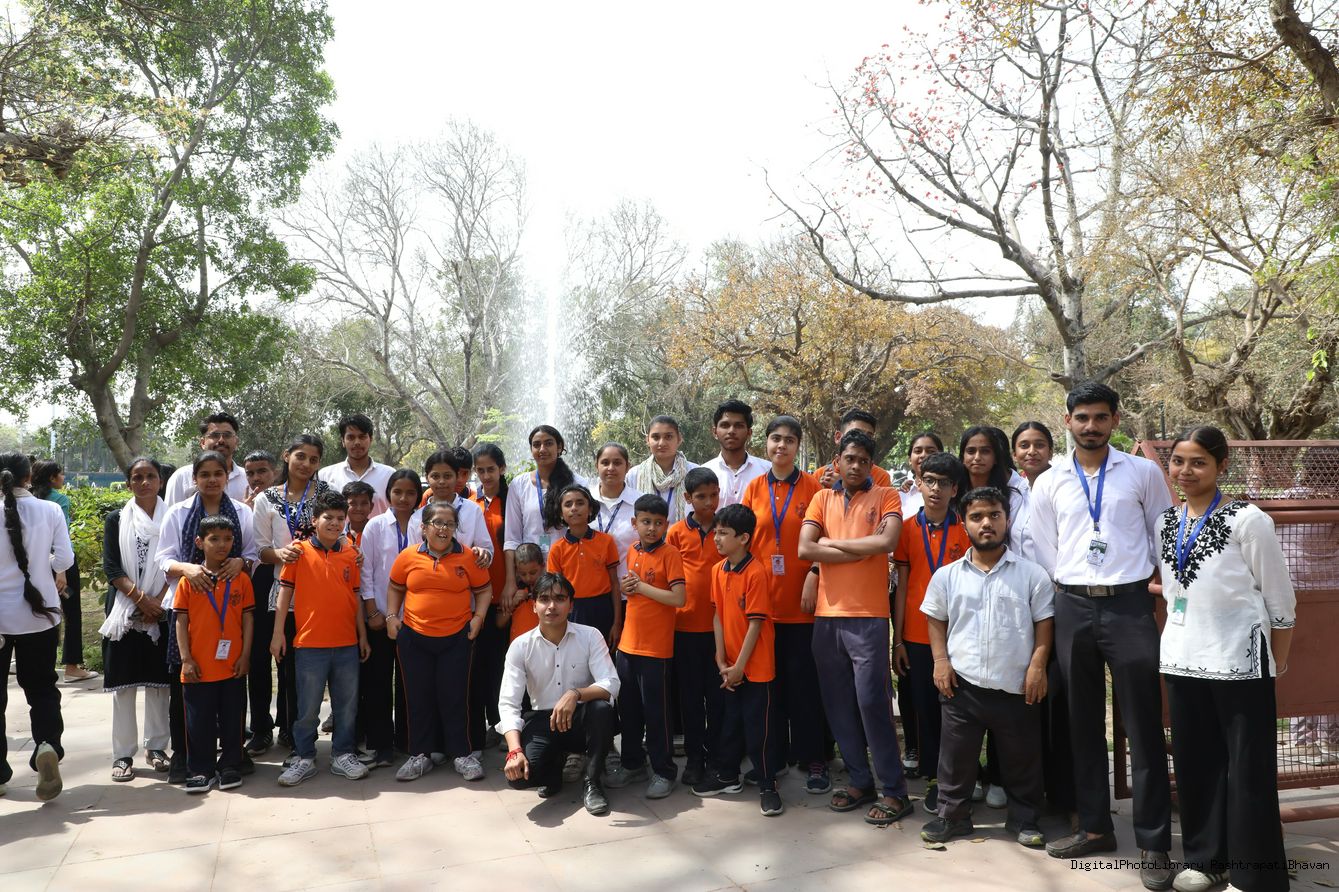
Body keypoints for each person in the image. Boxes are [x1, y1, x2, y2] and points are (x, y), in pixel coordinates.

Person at [1029, 382, 1175, 889]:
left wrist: (1160, 591)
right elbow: (1042, 544)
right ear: (1067, 420)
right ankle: (1094, 827)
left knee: (1143, 725)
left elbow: (1163, 534)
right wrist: (1071, 583)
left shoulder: (1142, 472)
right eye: (1082, 417)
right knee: (1081, 723)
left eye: (1100, 417)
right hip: (1072, 606)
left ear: (1115, 419)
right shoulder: (1049, 481)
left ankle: (1154, 843)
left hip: (1130, 606)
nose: (1090, 426)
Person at [1157, 427, 1294, 892]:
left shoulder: (1249, 520)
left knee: (1248, 772)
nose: (1186, 471)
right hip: (1182, 661)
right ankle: (1206, 861)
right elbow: (1175, 591)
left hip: (1241, 663)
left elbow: (1280, 598)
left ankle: (1257, 878)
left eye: (1198, 462)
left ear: (1221, 466)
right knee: (1195, 766)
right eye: (1178, 461)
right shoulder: (1166, 522)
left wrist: (1277, 662)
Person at [919, 486, 1053, 847]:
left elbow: (1044, 622)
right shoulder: (948, 576)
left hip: (1016, 686)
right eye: (976, 517)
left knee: (1022, 758)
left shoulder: (1031, 574)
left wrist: (1037, 666)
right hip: (963, 686)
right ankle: (953, 817)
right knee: (955, 759)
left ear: (1007, 520)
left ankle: (1024, 819)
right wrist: (940, 662)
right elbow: (936, 619)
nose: (986, 523)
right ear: (964, 524)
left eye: (994, 515)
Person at [798, 428, 910, 825]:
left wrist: (831, 545)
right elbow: (804, 548)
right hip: (827, 617)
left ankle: (895, 791)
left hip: (869, 617)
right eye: (850, 458)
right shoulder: (821, 498)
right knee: (838, 704)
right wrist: (861, 547)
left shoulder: (886, 495)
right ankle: (860, 781)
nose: (856, 465)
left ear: (870, 464)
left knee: (871, 704)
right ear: (838, 461)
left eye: (863, 460)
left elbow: (887, 543)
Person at [740, 415, 830, 794]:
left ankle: (814, 760)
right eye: (775, 438)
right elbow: (744, 542)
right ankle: (772, 759)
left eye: (789, 440)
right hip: (764, 609)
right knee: (769, 690)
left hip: (803, 605)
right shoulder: (753, 488)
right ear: (766, 443)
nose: (781, 445)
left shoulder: (814, 488)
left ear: (797, 446)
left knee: (805, 688)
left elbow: (827, 537)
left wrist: (814, 573)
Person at [157, 451, 258, 784]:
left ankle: (233, 756)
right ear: (194, 479)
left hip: (231, 609)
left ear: (228, 477)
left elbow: (252, 552)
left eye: (218, 473)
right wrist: (188, 568)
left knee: (231, 691)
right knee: (186, 688)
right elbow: (163, 558)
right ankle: (186, 757)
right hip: (189, 608)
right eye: (205, 474)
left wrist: (241, 562)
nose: (212, 480)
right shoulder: (178, 513)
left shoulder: (241, 512)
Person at [386, 500, 492, 783]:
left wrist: (478, 618)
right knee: (418, 698)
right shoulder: (408, 556)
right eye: (438, 523)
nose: (444, 529)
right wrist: (391, 617)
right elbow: (395, 587)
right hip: (414, 638)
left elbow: (484, 590)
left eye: (450, 524)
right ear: (424, 528)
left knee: (455, 697)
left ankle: (462, 754)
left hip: (456, 638)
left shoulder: (468, 557)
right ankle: (420, 755)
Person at [499, 571, 620, 816]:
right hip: (543, 721)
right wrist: (514, 751)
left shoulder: (590, 636)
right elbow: (508, 703)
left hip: (582, 718)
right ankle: (554, 772)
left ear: (571, 605)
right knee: (518, 778)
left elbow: (611, 683)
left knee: (601, 709)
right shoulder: (520, 646)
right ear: (534, 606)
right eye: (544, 599)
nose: (552, 606)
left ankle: (592, 782)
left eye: (560, 598)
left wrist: (576, 693)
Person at [270, 490, 370, 787]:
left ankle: (343, 754)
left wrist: (362, 636)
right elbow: (284, 594)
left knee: (346, 706)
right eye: (328, 517)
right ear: (314, 520)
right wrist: (278, 633)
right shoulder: (299, 552)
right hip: (309, 644)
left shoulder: (351, 554)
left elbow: (355, 597)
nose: (335, 523)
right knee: (308, 709)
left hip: (346, 644)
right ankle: (304, 756)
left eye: (340, 518)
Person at [691, 503, 784, 816]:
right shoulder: (718, 570)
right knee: (730, 723)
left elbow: (756, 624)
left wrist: (740, 667)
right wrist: (721, 659)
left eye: (723, 533)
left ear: (743, 538)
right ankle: (727, 775)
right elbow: (718, 615)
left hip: (755, 668)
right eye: (715, 532)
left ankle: (768, 785)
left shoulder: (756, 572)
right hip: (730, 666)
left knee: (759, 729)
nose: (716, 538)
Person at [892, 452, 969, 815]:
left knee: (958, 710)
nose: (936, 489)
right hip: (916, 634)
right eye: (930, 481)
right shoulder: (907, 529)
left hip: (958, 635)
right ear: (919, 483)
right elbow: (902, 586)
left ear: (955, 489)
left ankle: (962, 774)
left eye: (944, 483)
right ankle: (935, 777)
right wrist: (898, 639)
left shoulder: (966, 530)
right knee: (924, 708)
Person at [252, 434, 332, 758]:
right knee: (280, 660)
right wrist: (280, 554)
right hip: (280, 590)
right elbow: (260, 550)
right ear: (286, 456)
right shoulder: (267, 498)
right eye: (301, 456)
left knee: (304, 666)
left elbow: (335, 534)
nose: (306, 464)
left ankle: (295, 729)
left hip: (317, 591)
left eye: (314, 459)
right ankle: (272, 728)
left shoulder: (326, 494)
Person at [0, 452, 73, 800]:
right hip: (40, 614)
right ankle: (46, 745)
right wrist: (45, 565)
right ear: (29, 476)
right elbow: (66, 559)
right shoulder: (50, 509)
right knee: (43, 688)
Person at [1009, 420, 1072, 823]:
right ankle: (1032, 790)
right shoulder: (1014, 493)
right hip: (1019, 606)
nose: (1031, 451)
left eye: (1039, 444)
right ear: (1014, 452)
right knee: (1025, 701)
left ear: (1050, 449)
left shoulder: (1064, 485)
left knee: (1058, 699)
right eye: (1023, 445)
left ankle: (1066, 796)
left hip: (1060, 602)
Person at [605, 494, 686, 799]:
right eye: (646, 522)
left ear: (667, 524)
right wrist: (629, 588)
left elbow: (679, 598)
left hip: (656, 649)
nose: (652, 528)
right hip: (628, 645)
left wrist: (641, 587)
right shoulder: (632, 550)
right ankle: (633, 763)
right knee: (629, 711)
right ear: (634, 523)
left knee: (657, 714)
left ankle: (664, 770)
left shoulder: (670, 554)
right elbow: (633, 591)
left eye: (658, 523)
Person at [99, 457, 172, 783]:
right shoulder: (117, 519)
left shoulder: (172, 517)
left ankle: (156, 748)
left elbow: (176, 561)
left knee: (159, 685)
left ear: (160, 481)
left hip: (163, 608)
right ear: (128, 483)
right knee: (124, 686)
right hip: (125, 609)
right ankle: (123, 754)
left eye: (150, 476)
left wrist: (158, 603)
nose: (144, 482)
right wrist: (142, 600)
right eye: (137, 477)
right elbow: (112, 567)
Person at [176, 514, 255, 793]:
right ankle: (201, 769)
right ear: (200, 542)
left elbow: (247, 619)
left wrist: (245, 656)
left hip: (232, 665)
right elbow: (181, 621)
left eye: (228, 539)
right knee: (199, 721)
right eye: (214, 539)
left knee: (233, 719)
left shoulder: (241, 580)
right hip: (198, 666)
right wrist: (186, 659)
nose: (222, 545)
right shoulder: (189, 581)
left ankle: (230, 764)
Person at [359, 469, 424, 768]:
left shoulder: (424, 524)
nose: (403, 498)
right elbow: (366, 571)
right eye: (397, 492)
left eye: (410, 492)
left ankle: (410, 741)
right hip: (380, 617)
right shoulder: (375, 525)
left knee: (411, 682)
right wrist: (373, 612)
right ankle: (381, 745)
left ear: (418, 495)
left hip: (415, 618)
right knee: (378, 682)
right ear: (388, 494)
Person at [667, 467, 724, 787]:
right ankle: (693, 758)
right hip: (685, 628)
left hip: (719, 629)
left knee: (717, 698)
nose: (709, 502)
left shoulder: (725, 529)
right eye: (701, 496)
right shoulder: (676, 533)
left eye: (713, 495)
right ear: (688, 498)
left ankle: (716, 757)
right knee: (689, 698)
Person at [31, 460, 94, 682]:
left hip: (35, 565)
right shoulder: (59, 501)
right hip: (61, 566)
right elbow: (62, 538)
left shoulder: (30, 500)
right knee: (71, 611)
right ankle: (72, 667)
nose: (63, 477)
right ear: (52, 478)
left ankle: (33, 663)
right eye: (61, 474)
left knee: (37, 609)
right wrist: (62, 571)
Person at [502, 425, 581, 601]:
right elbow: (512, 538)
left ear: (559, 447)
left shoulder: (576, 483)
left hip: (568, 569)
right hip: (531, 575)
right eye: (537, 444)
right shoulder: (519, 485)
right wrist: (510, 581)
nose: (542, 449)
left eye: (548, 443)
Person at [471, 443, 511, 746]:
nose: (486, 475)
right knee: (479, 665)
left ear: (502, 469)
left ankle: (500, 723)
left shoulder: (511, 502)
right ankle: (482, 723)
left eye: (491, 469)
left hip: (504, 595)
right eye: (481, 470)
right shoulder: (469, 503)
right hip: (474, 598)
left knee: (501, 664)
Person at [545, 484, 621, 642]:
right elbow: (554, 591)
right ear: (561, 513)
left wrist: (617, 622)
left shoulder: (606, 541)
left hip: (603, 609)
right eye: (568, 504)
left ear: (590, 509)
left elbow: (615, 583)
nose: (574, 508)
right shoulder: (557, 549)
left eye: (580, 503)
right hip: (572, 611)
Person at [240, 450, 279, 756]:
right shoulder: (239, 509)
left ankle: (289, 724)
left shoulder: (282, 502)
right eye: (251, 473)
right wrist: (247, 511)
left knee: (287, 657)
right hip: (249, 586)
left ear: (274, 472)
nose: (256, 478)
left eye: (262, 471)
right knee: (256, 659)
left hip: (278, 578)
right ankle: (261, 728)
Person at [420, 448, 492, 562]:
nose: (442, 481)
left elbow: (487, 548)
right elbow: (412, 556)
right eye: (435, 476)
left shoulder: (473, 510)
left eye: (447, 476)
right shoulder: (416, 518)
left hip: (465, 571)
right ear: (427, 478)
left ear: (456, 476)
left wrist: (484, 554)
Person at [164, 412, 249, 505]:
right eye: (214, 435)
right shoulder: (182, 477)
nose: (221, 440)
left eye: (227, 435)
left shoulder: (247, 478)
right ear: (203, 443)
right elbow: (171, 512)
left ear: (236, 442)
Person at [627, 415, 699, 525]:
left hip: (686, 535)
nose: (662, 443)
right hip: (646, 536)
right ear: (647, 440)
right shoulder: (634, 475)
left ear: (679, 439)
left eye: (668, 437)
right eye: (656, 437)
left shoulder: (694, 472)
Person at [318, 413, 394, 517]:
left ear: (370, 439)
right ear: (343, 441)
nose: (357, 442)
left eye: (362, 437)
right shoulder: (325, 475)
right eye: (351, 437)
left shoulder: (389, 475)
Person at [702, 399, 771, 507]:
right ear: (715, 432)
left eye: (738, 426)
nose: (731, 431)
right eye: (725, 425)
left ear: (749, 432)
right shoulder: (703, 473)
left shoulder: (768, 472)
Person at [591, 442, 641, 578]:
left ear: (628, 467)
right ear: (596, 466)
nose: (611, 468)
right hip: (592, 586)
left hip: (630, 584)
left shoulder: (640, 503)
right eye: (605, 463)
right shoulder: (584, 502)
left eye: (617, 463)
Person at [816, 409, 893, 489]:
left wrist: (842, 486)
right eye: (855, 433)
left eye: (869, 436)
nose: (862, 439)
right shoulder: (819, 475)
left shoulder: (881, 477)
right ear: (838, 437)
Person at [501, 543, 545, 644]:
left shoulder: (548, 589)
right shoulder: (513, 589)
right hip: (518, 646)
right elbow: (500, 623)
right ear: (516, 570)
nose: (528, 578)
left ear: (542, 566)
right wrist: (512, 604)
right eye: (523, 574)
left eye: (533, 572)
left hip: (542, 645)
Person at [899, 432, 944, 517]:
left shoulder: (951, 494)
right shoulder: (898, 496)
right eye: (918, 451)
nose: (923, 455)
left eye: (931, 451)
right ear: (909, 459)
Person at [342, 481, 375, 549]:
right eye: (353, 503)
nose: (359, 508)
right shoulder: (338, 534)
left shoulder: (378, 533)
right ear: (344, 506)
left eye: (364, 503)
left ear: (371, 507)